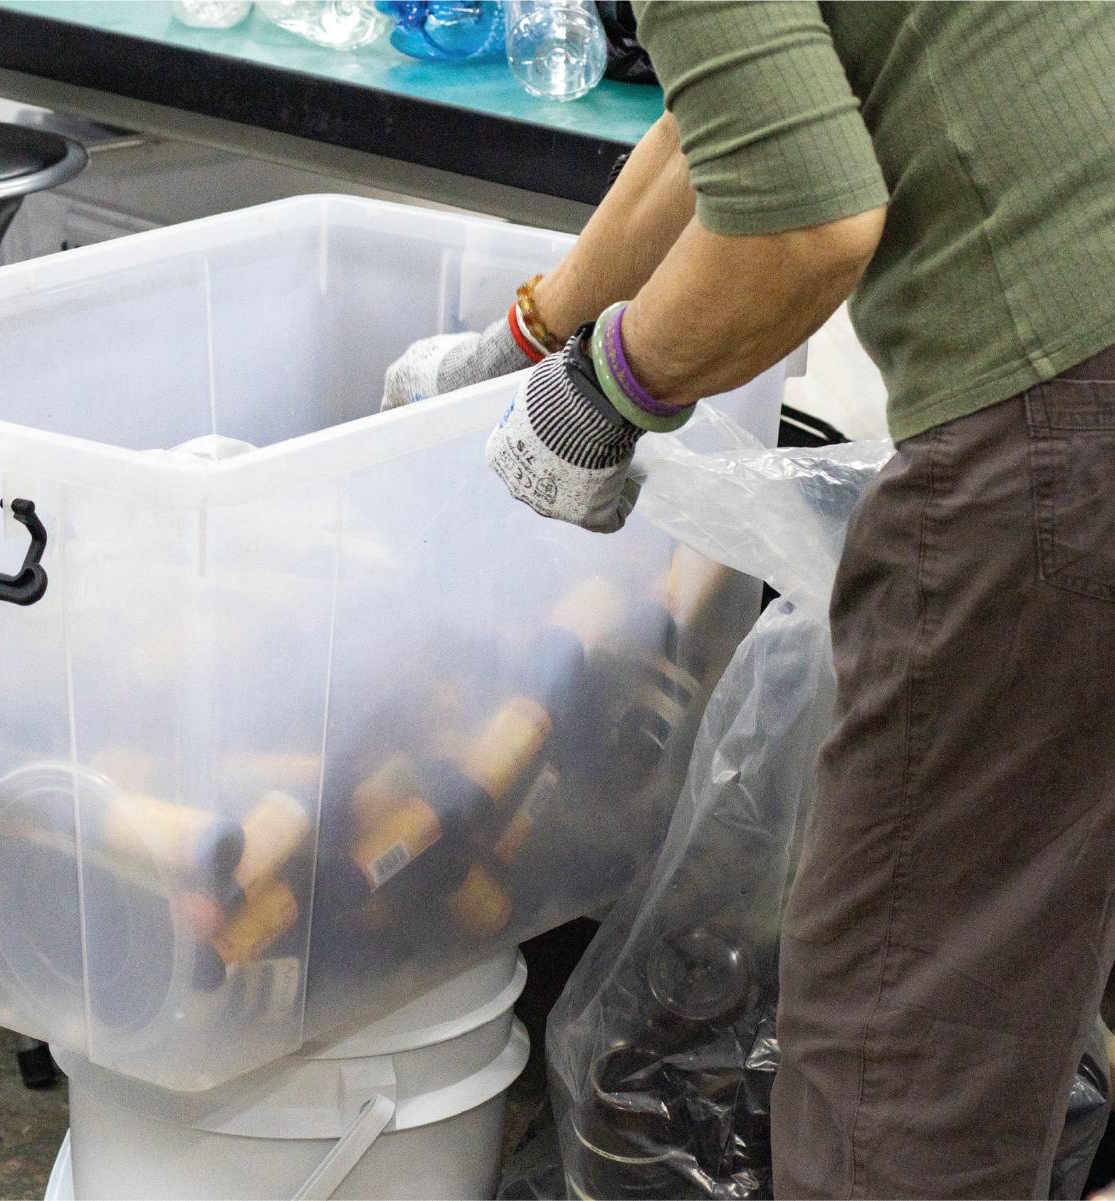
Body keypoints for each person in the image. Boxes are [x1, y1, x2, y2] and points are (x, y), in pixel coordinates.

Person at [383, 4, 1115, 1196]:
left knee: (903, 1048)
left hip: (1066, 411)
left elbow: (800, 227)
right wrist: (533, 329)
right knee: (1029, 948)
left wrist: (604, 391)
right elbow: (720, 118)